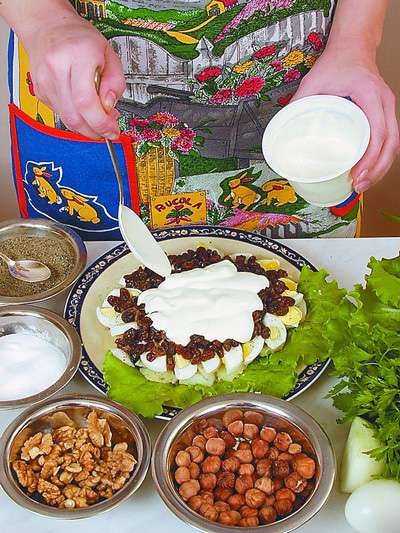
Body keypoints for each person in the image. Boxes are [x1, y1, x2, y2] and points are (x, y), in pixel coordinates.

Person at [1, 0, 398, 240]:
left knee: (305, 300)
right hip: (77, 67)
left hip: (295, 72)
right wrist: (42, 17)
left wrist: (355, 41)